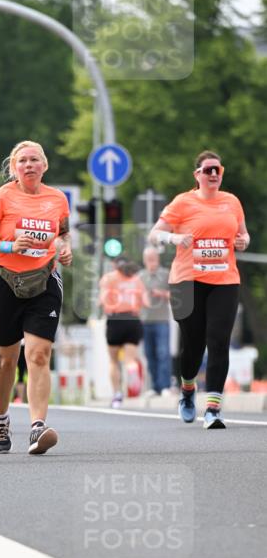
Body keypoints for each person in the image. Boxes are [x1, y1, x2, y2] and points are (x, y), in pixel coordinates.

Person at [0, 140, 72, 454]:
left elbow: (63, 234)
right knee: (6, 360)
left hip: (44, 280)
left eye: (34, 160)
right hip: (5, 280)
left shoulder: (57, 199)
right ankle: (1, 419)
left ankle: (37, 427)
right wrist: (9, 246)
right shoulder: (1, 197)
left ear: (44, 165)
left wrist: (64, 248)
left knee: (39, 354)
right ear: (15, 168)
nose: (29, 165)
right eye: (23, 161)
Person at [149, 149, 250, 429]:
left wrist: (244, 241)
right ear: (197, 175)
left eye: (218, 169)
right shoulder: (183, 202)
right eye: (208, 170)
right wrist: (174, 238)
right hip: (186, 281)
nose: (214, 174)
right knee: (193, 344)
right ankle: (187, 389)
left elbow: (243, 234)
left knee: (218, 340)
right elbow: (154, 233)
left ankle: (213, 409)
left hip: (224, 280)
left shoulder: (231, 202)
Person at [99, 257, 149, 408]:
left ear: (114, 265)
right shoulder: (136, 280)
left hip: (115, 319)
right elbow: (146, 302)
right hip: (133, 319)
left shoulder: (108, 278)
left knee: (113, 361)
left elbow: (102, 300)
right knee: (130, 359)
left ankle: (117, 395)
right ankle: (132, 372)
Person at [139, 246, 172, 396]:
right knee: (149, 354)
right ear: (144, 260)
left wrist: (162, 294)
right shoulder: (140, 276)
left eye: (153, 258)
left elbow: (176, 295)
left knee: (163, 353)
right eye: (148, 259)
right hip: (145, 321)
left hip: (161, 320)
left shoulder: (166, 274)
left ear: (158, 259)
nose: (151, 261)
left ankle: (165, 386)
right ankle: (154, 386)